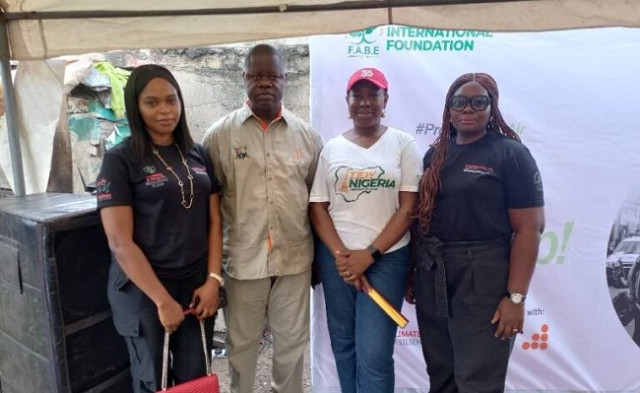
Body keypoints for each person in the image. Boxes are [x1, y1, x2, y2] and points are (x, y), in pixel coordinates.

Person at [408, 73, 545, 393]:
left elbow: (529, 229)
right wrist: (414, 273)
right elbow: (423, 219)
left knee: (477, 381)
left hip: (483, 277)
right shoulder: (436, 154)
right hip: (434, 274)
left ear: (492, 107)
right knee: (442, 376)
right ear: (449, 108)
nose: (468, 108)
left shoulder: (511, 154)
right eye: (459, 101)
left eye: (478, 101)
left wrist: (515, 298)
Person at [202, 44, 322, 393]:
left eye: (273, 76)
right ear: (244, 78)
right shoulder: (219, 136)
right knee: (240, 347)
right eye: (256, 75)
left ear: (286, 78)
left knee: (291, 345)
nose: (265, 83)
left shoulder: (307, 137)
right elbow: (208, 205)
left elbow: (316, 201)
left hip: (294, 260)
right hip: (242, 262)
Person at [97, 64, 223, 392]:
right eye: (152, 102)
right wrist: (161, 300)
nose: (165, 110)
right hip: (144, 292)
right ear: (135, 107)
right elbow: (119, 241)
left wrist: (212, 281)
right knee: (154, 380)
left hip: (196, 287)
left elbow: (215, 220)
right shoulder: (120, 160)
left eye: (171, 100)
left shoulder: (198, 154)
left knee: (196, 379)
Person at [309, 67, 422, 392]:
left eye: (374, 94)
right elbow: (318, 206)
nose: (365, 101)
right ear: (347, 101)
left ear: (385, 100)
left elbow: (408, 208)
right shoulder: (332, 148)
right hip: (337, 262)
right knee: (344, 346)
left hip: (386, 260)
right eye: (357, 94)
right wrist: (342, 257)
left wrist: (369, 255)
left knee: (374, 353)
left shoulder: (402, 144)